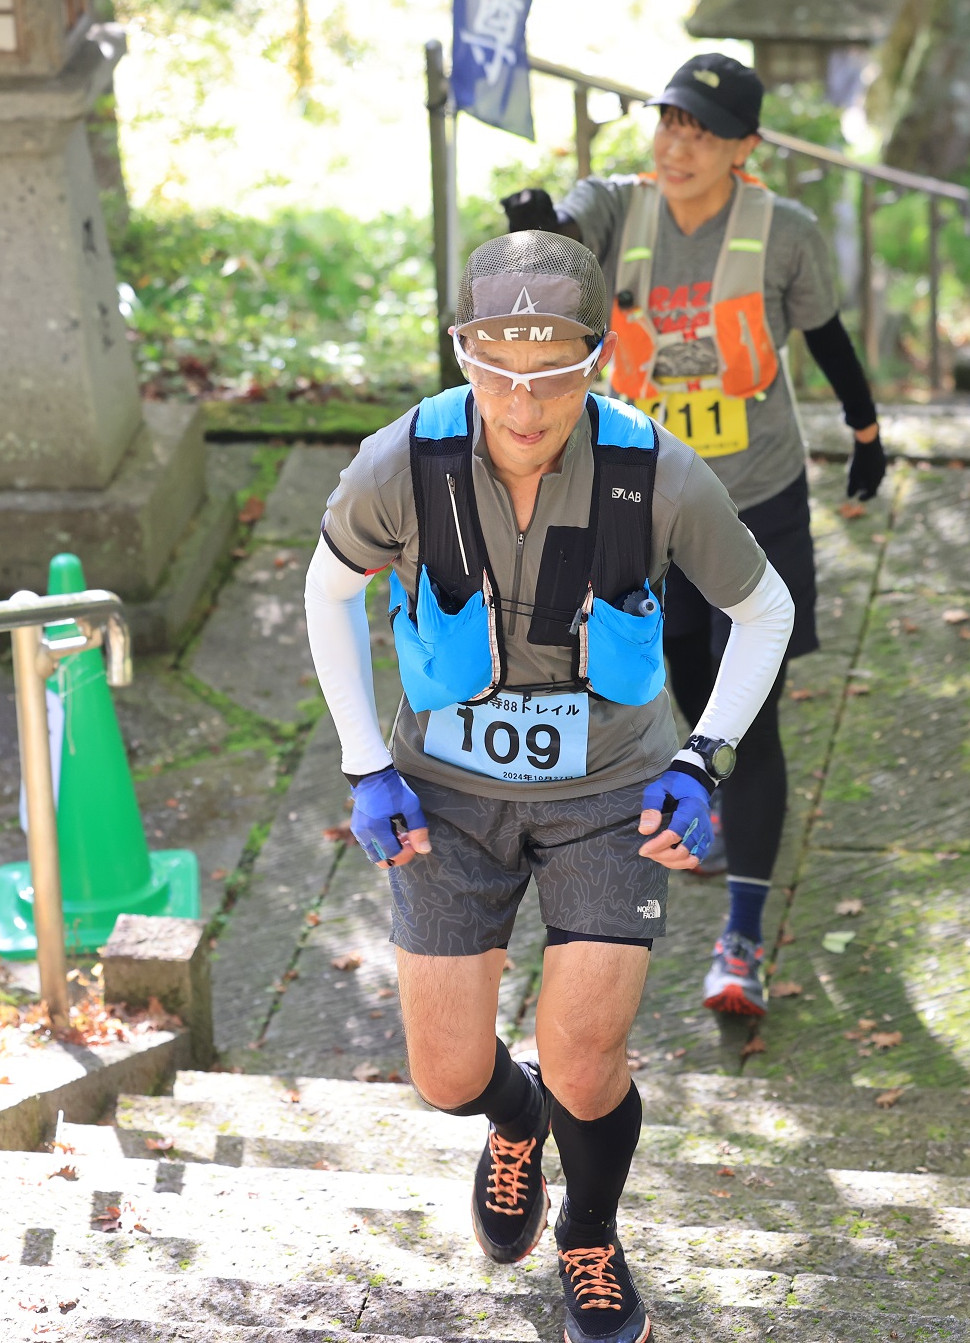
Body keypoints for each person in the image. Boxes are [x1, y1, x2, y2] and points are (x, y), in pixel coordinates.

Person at [303, 231, 793, 1343]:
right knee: (444, 1070)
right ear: (464, 356)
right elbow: (326, 592)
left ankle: (591, 1232)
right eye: (498, 371)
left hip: (611, 787)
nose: (524, 404)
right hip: (443, 792)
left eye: (553, 373)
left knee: (585, 1047)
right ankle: (509, 1115)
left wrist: (700, 755)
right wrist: (364, 760)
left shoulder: (656, 470)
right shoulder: (403, 462)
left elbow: (765, 610)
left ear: (598, 358)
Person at [500, 51, 883, 1022]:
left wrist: (867, 433)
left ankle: (742, 939)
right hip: (644, 497)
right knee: (674, 670)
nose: (675, 144)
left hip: (756, 495)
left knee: (746, 718)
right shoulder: (615, 205)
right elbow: (559, 248)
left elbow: (829, 338)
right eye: (667, 121)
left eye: (701, 131)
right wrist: (537, 234)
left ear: (743, 149)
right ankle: (706, 808)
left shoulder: (783, 233)